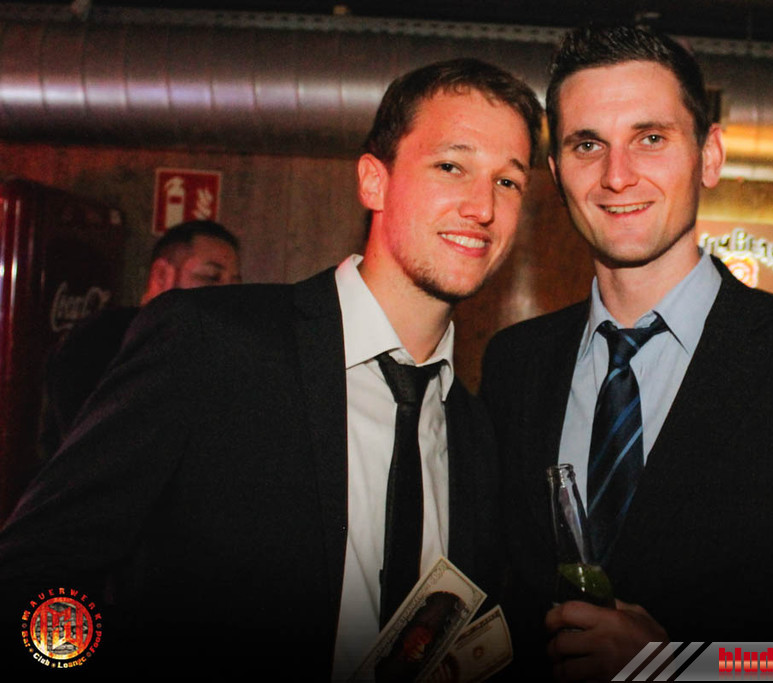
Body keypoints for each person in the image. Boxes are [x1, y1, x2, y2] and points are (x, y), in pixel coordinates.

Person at [1, 57, 542, 680]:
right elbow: (29, 577)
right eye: (451, 165)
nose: (483, 206)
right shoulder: (211, 344)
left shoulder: (475, 434)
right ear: (374, 182)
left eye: (508, 181)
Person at [479, 25, 773, 681]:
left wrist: (690, 665)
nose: (617, 175)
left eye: (650, 138)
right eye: (588, 144)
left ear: (709, 156)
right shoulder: (515, 365)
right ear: (556, 174)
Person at [39, 220, 241, 459]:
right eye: (211, 277)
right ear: (162, 275)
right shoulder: (103, 335)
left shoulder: (216, 347)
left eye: (235, 284)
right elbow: (88, 444)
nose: (228, 294)